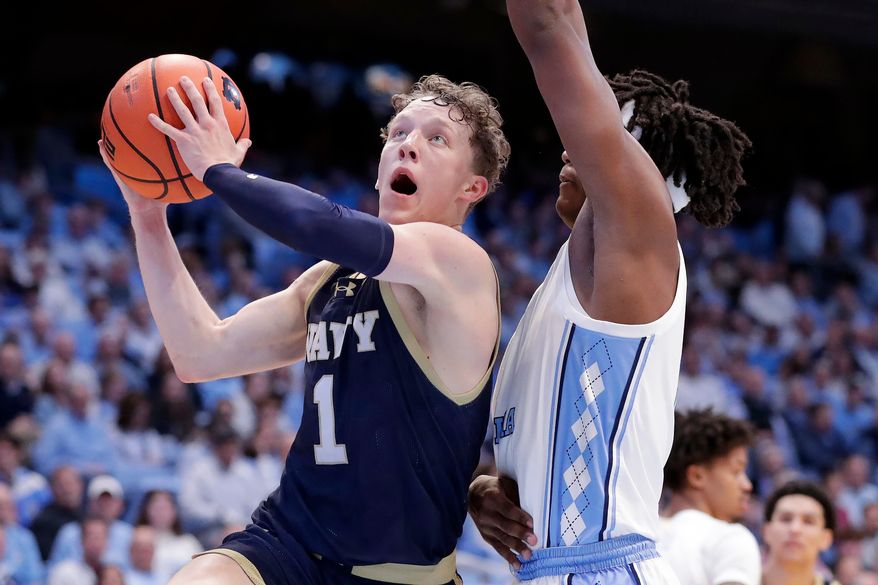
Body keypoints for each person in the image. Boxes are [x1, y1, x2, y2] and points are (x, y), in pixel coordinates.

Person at [98, 70, 509, 585]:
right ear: (380, 169)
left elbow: (313, 223)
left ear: (472, 188)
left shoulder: (461, 265)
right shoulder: (326, 283)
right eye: (399, 133)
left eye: (436, 139)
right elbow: (199, 354)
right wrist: (148, 217)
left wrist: (218, 169)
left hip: (400, 572)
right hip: (286, 544)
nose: (408, 146)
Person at [468, 1, 750, 583]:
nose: (569, 148)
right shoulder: (574, 284)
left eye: (602, 133)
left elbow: (549, 27)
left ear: (640, 167)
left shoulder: (642, 228)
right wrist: (486, 492)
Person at [658, 410, 761, 585]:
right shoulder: (730, 538)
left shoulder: (636, 531)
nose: (747, 485)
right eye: (736, 471)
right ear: (697, 476)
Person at [762, 480, 840, 585]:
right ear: (766, 531)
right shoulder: (740, 580)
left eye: (808, 521)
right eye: (786, 519)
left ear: (826, 538)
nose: (795, 529)